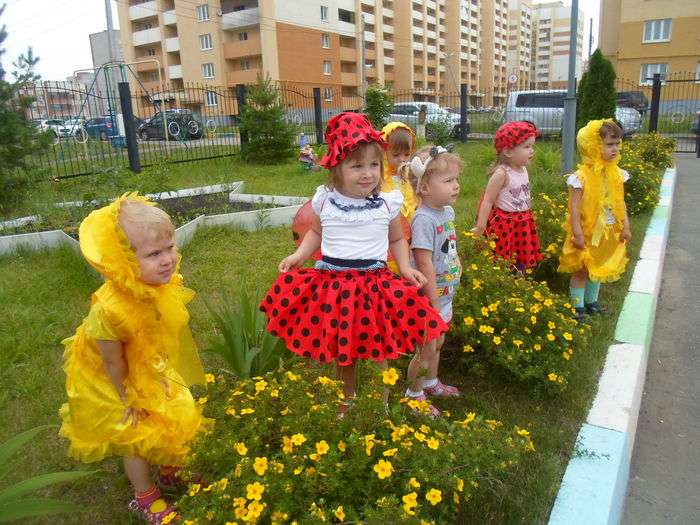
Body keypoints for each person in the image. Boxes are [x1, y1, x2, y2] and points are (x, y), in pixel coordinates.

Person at [259, 112, 448, 413]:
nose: (368, 173)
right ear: (337, 170)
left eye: (374, 165)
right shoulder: (326, 201)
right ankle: (346, 403)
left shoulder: (387, 203)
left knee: (380, 349)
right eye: (357, 165)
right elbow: (316, 233)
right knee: (343, 352)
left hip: (374, 285)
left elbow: (397, 239)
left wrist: (407, 266)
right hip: (335, 287)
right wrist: (299, 256)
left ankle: (380, 406)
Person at [59, 194, 210, 525]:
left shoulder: (156, 284)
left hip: (146, 363)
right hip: (111, 379)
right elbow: (113, 361)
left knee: (173, 410)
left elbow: (156, 331)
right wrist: (128, 395)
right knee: (135, 432)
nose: (168, 259)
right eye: (154, 254)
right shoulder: (109, 310)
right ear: (124, 261)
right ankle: (144, 496)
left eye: (169, 247)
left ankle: (169, 469)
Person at [405, 145, 464, 416]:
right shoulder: (423, 220)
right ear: (424, 188)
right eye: (448, 181)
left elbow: (450, 244)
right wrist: (431, 299)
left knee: (438, 343)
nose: (456, 186)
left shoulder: (446, 213)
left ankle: (430, 383)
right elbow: (424, 260)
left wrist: (458, 263)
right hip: (429, 296)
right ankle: (413, 394)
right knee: (426, 347)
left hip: (445, 291)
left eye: (456, 180)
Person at [558, 119, 631, 320]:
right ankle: (577, 307)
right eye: (609, 144)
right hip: (585, 231)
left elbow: (620, 201)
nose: (615, 149)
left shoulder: (616, 173)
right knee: (582, 270)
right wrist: (577, 233)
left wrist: (625, 226)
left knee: (598, 266)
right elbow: (573, 208)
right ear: (592, 146)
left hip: (607, 230)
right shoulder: (581, 177)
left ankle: (591, 302)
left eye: (617, 144)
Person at [473, 121, 542, 271]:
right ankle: (504, 279)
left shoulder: (523, 169)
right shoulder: (502, 174)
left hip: (523, 222)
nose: (532, 151)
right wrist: (481, 225)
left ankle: (518, 280)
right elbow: (487, 200)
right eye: (527, 147)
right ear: (508, 151)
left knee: (521, 256)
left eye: (532, 146)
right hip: (506, 224)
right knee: (504, 257)